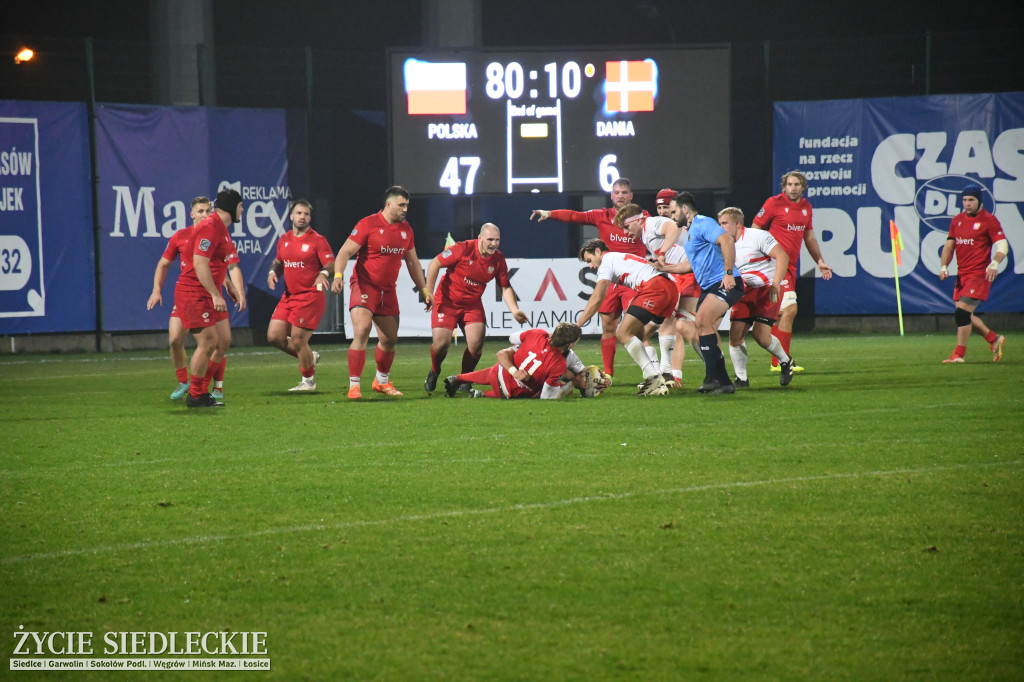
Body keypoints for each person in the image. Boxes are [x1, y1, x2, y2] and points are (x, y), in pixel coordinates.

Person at [530, 177, 647, 376]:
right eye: (617, 192)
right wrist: (549, 213)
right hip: (610, 280)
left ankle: (652, 371)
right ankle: (608, 375)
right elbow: (574, 216)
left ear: (631, 196)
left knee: (637, 328)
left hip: (633, 280)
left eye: (624, 192)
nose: (620, 196)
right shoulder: (601, 215)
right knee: (608, 326)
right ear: (611, 195)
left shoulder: (642, 218)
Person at [330, 186, 431, 399]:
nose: (405, 209)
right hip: (364, 285)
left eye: (407, 206)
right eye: (401, 205)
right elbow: (344, 252)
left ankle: (381, 381)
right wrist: (338, 276)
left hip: (388, 290)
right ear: (388, 204)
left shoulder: (406, 230)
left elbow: (412, 263)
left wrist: (423, 289)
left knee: (389, 340)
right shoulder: (368, 224)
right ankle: (354, 385)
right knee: (362, 330)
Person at [423, 222, 528, 393]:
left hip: (472, 304)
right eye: (490, 239)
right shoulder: (462, 249)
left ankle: (465, 379)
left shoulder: (498, 259)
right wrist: (429, 292)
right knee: (441, 344)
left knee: (476, 345)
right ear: (480, 238)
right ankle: (434, 370)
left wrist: (515, 310)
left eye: (497, 240)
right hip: (447, 301)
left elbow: (505, 286)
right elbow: (434, 264)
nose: (494, 244)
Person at [666, 191, 749, 395]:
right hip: (709, 286)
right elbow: (690, 265)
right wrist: (665, 268)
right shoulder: (692, 231)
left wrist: (728, 273)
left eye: (674, 211)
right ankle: (723, 382)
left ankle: (713, 377)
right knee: (701, 327)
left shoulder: (703, 222)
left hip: (725, 282)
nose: (672, 216)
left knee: (702, 321)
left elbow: (727, 241)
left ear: (686, 210)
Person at [751, 170, 832, 372]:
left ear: (803, 187)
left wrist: (820, 261)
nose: (793, 188)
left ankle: (777, 362)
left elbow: (809, 238)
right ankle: (782, 362)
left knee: (781, 314)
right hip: (774, 264)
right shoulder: (773, 203)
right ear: (784, 187)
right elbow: (755, 229)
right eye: (789, 184)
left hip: (791, 266)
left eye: (797, 184)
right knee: (790, 310)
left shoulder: (806, 207)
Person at [615, 201, 701, 388]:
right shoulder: (646, 234)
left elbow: (673, 227)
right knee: (678, 322)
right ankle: (667, 373)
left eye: (627, 226)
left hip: (689, 274)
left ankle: (673, 372)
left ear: (637, 220)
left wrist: (661, 253)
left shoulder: (651, 223)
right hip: (683, 273)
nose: (626, 232)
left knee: (694, 326)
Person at [577, 239, 678, 396]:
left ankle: (653, 378)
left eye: (589, 260)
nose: (590, 266)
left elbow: (598, 296)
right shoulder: (619, 257)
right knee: (639, 334)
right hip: (670, 288)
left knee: (623, 333)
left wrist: (579, 324)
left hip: (654, 288)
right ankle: (660, 374)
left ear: (598, 251)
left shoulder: (607, 262)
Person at [181, 188, 247, 408]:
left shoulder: (221, 228)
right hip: (195, 293)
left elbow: (217, 263)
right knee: (209, 342)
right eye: (240, 206)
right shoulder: (210, 227)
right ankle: (196, 394)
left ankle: (201, 391)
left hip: (207, 292)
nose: (243, 210)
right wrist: (214, 293)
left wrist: (227, 285)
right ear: (231, 207)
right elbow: (200, 263)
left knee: (222, 340)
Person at [716, 207, 795, 387]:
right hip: (744, 292)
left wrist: (776, 282)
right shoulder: (723, 244)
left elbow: (782, 256)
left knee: (761, 336)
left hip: (767, 290)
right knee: (735, 335)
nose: (721, 227)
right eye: (719, 223)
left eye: (724, 223)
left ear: (737, 224)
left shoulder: (757, 236)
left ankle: (785, 360)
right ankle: (741, 379)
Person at [147, 196, 211, 400]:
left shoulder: (214, 237)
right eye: (200, 211)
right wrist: (156, 290)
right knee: (175, 339)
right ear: (191, 214)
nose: (205, 214)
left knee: (213, 343)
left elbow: (219, 266)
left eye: (208, 211)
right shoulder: (181, 236)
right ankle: (184, 382)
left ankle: (202, 387)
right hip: (185, 296)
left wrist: (227, 285)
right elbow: (163, 264)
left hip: (204, 297)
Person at [266, 200, 335, 391]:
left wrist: (323, 274)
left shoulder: (317, 240)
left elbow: (331, 264)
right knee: (274, 336)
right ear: (291, 216)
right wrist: (273, 272)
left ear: (310, 218)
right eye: (299, 213)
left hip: (310, 296)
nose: (302, 217)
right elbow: (279, 262)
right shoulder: (284, 239)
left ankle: (308, 382)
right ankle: (309, 357)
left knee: (298, 339)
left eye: (306, 214)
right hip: (289, 297)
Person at [938, 183, 1009, 363]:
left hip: (979, 275)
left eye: (971, 200)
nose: (967, 203)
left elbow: (1002, 244)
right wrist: (944, 266)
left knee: (961, 314)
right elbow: (949, 245)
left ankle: (959, 355)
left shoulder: (989, 220)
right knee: (965, 315)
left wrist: (994, 262)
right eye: (964, 200)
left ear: (979, 201)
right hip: (962, 275)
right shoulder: (957, 220)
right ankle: (994, 339)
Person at [444, 323, 587, 399]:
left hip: (500, 370)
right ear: (569, 345)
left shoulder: (538, 333)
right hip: (509, 390)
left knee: (507, 359)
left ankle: (459, 378)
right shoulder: (559, 363)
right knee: (536, 391)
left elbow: (512, 338)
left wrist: (521, 348)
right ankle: (481, 394)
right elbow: (547, 397)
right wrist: (572, 384)